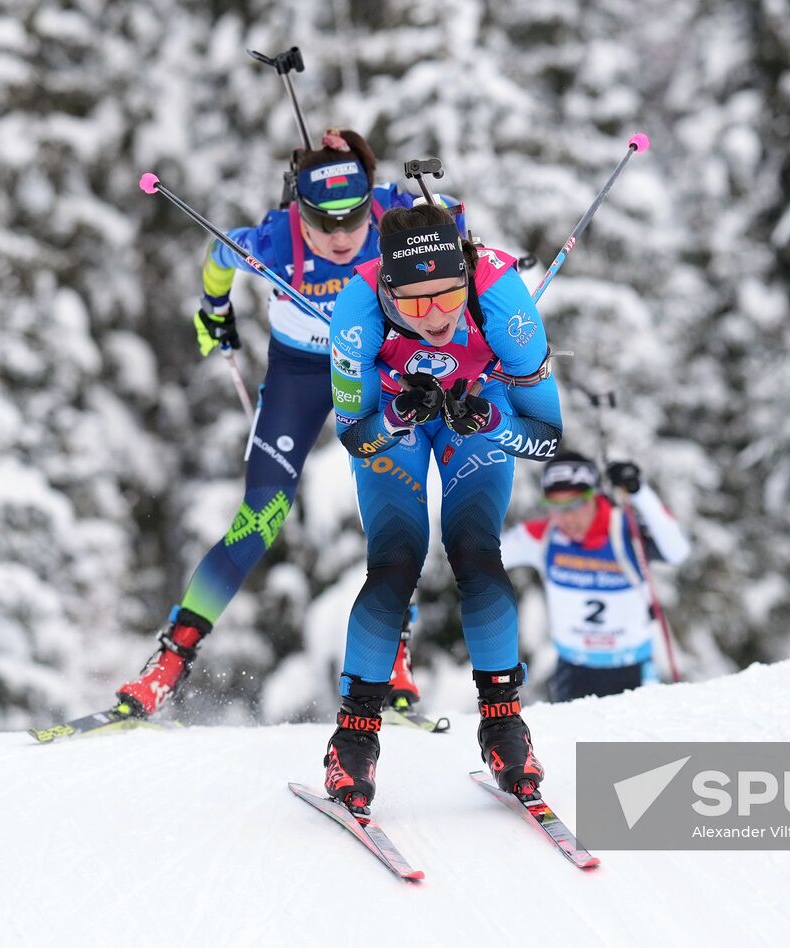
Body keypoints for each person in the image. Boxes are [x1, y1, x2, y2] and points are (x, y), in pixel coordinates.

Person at [114, 129, 435, 721]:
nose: (340, 238)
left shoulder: (397, 217)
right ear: (299, 212)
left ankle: (393, 653)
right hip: (299, 376)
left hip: (372, 369)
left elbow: (457, 254)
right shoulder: (272, 242)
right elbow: (217, 259)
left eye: (353, 221)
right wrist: (215, 311)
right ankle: (168, 663)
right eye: (324, 225)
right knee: (259, 517)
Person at [321, 200, 563, 811]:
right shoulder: (356, 308)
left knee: (477, 552)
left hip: (477, 410)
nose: (434, 317)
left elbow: (548, 436)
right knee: (396, 559)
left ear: (466, 275)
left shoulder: (505, 305)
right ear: (386, 292)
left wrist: (487, 421)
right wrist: (400, 412)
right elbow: (354, 433)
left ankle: (505, 726)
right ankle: (353, 739)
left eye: (449, 296)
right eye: (413, 303)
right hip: (391, 413)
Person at [501, 451, 691, 701]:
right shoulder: (543, 537)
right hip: (573, 670)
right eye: (555, 507)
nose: (566, 518)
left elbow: (678, 551)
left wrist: (638, 491)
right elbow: (481, 555)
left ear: (595, 496)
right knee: (575, 741)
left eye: (576, 504)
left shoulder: (626, 530)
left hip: (632, 668)